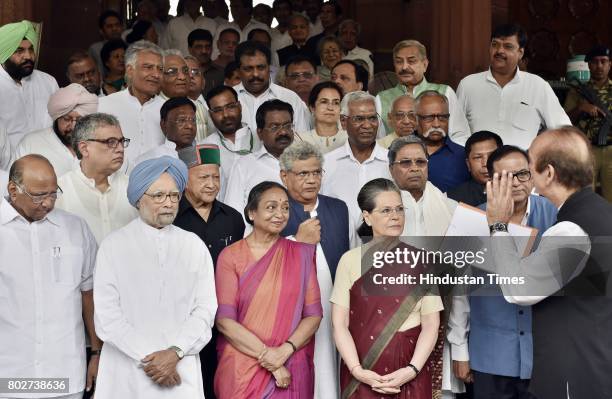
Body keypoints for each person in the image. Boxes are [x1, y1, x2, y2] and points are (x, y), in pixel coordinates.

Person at [485, 126, 612, 399]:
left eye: (529, 164)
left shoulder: (572, 230)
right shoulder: (603, 212)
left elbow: (518, 289)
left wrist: (498, 225)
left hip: (575, 373)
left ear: (549, 173)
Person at [93, 156, 217, 399]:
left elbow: (205, 309)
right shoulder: (113, 246)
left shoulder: (193, 245)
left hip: (180, 368)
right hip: (128, 371)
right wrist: (153, 360)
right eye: (158, 196)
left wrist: (175, 353)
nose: (168, 203)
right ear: (139, 200)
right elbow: (108, 318)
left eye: (173, 196)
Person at [449, 145, 558, 399]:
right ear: (490, 180)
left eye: (523, 174)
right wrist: (460, 351)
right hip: (491, 355)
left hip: (544, 353)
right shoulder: (470, 221)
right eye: (507, 177)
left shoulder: (554, 214)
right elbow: (459, 292)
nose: (517, 183)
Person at [331, 178, 442, 398]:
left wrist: (411, 370)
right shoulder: (350, 261)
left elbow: (431, 323)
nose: (395, 216)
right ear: (367, 217)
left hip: (410, 368)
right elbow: (339, 324)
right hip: (362, 367)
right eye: (386, 210)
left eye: (400, 209)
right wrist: (358, 371)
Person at [0, 154, 101, 399]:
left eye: (53, 193)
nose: (47, 203)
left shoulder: (75, 229)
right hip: (9, 374)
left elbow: (89, 295)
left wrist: (97, 353)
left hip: (64, 372)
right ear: (13, 190)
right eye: (38, 196)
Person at [214, 181, 322, 398]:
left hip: (291, 360)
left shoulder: (300, 254)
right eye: (271, 207)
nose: (280, 214)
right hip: (243, 366)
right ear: (252, 213)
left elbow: (313, 315)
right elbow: (224, 321)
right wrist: (270, 360)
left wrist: (284, 352)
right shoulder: (231, 256)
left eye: (285, 208)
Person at [174, 143, 245, 399]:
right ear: (184, 180)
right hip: (185, 318)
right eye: (203, 177)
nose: (212, 183)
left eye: (216, 176)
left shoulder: (234, 218)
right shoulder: (172, 219)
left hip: (226, 318)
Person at [279, 141, 350, 398]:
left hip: (335, 305)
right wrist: (296, 242)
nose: (311, 180)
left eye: (316, 172)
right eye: (302, 174)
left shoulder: (338, 208)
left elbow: (349, 257)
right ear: (284, 176)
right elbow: (260, 261)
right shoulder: (275, 210)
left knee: (333, 370)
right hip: (291, 313)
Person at [457, 24, 571, 149]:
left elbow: (563, 130)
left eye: (508, 46)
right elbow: (456, 131)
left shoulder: (538, 86)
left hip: (523, 166)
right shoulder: (468, 84)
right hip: (478, 166)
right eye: (495, 44)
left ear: (520, 53)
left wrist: (540, 154)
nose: (499, 50)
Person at [55, 113, 137, 243]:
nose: (120, 149)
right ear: (84, 148)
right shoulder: (60, 191)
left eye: (122, 141)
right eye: (111, 142)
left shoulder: (134, 188)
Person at [320, 91, 392, 234]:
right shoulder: (325, 164)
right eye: (359, 119)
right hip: (339, 249)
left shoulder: (392, 162)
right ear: (343, 122)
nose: (367, 125)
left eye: (372, 118)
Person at [376, 39, 470, 143]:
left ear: (425, 65)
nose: (404, 67)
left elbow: (460, 135)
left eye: (411, 61)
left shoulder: (445, 92)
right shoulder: (381, 98)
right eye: (399, 62)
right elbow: (379, 141)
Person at [98, 40, 166, 170]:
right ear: (129, 70)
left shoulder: (168, 110)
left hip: (157, 185)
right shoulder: (104, 106)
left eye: (160, 69)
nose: (156, 74)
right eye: (148, 67)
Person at [224, 99, 295, 221]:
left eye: (287, 126)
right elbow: (233, 215)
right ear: (260, 133)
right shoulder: (244, 165)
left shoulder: (307, 163)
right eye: (274, 127)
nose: (283, 132)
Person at [16, 83, 98, 177]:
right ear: (56, 118)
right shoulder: (30, 144)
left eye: (80, 120)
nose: (73, 126)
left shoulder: (100, 142)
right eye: (67, 119)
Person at [0, 20, 59, 149]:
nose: (28, 56)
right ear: (4, 54)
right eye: (19, 51)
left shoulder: (48, 82)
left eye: (31, 49)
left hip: (48, 157)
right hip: (7, 165)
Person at [564, 45, 612, 201]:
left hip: (611, 151)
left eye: (603, 62)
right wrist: (580, 108)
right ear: (589, 65)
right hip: (586, 150)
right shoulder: (578, 91)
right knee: (585, 197)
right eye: (595, 62)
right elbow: (564, 120)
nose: (599, 66)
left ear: (609, 65)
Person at [234, 41, 311, 134]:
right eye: (248, 69)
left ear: (269, 68)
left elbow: (301, 140)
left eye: (261, 67)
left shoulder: (290, 98)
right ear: (238, 71)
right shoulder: (227, 100)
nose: (255, 74)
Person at [388, 135, 457, 236]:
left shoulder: (451, 208)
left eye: (420, 162)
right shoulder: (377, 208)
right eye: (406, 162)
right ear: (391, 169)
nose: (415, 168)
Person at [203, 85, 258, 199]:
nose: (226, 115)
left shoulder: (260, 138)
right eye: (218, 110)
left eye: (230, 107)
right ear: (210, 114)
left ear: (239, 106)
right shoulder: (205, 147)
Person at [415, 90, 470, 193]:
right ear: (416, 119)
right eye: (429, 118)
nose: (436, 124)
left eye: (442, 117)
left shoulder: (463, 156)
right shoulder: (398, 152)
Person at [135, 97, 197, 165]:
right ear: (163, 124)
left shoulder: (205, 153)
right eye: (181, 120)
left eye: (193, 120)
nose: (189, 126)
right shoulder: (149, 160)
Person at [447, 130, 503, 206]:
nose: (486, 163)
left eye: (492, 155)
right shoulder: (452, 199)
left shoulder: (518, 189)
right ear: (468, 164)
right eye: (478, 157)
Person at [300, 81, 347, 153]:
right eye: (324, 102)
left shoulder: (350, 140)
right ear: (312, 108)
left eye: (336, 103)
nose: (330, 108)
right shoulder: (300, 140)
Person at [188, 28, 224, 96]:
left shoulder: (221, 73)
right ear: (190, 49)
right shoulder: (182, 73)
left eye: (207, 47)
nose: (204, 51)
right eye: (199, 47)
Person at [184, 55, 211, 141]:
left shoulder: (212, 106)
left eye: (195, 73)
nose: (191, 76)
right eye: (186, 72)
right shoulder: (173, 108)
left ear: (203, 82)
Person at [89, 10, 124, 75]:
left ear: (122, 27)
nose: (114, 28)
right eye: (109, 26)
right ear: (101, 31)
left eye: (117, 25)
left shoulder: (129, 46)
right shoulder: (95, 49)